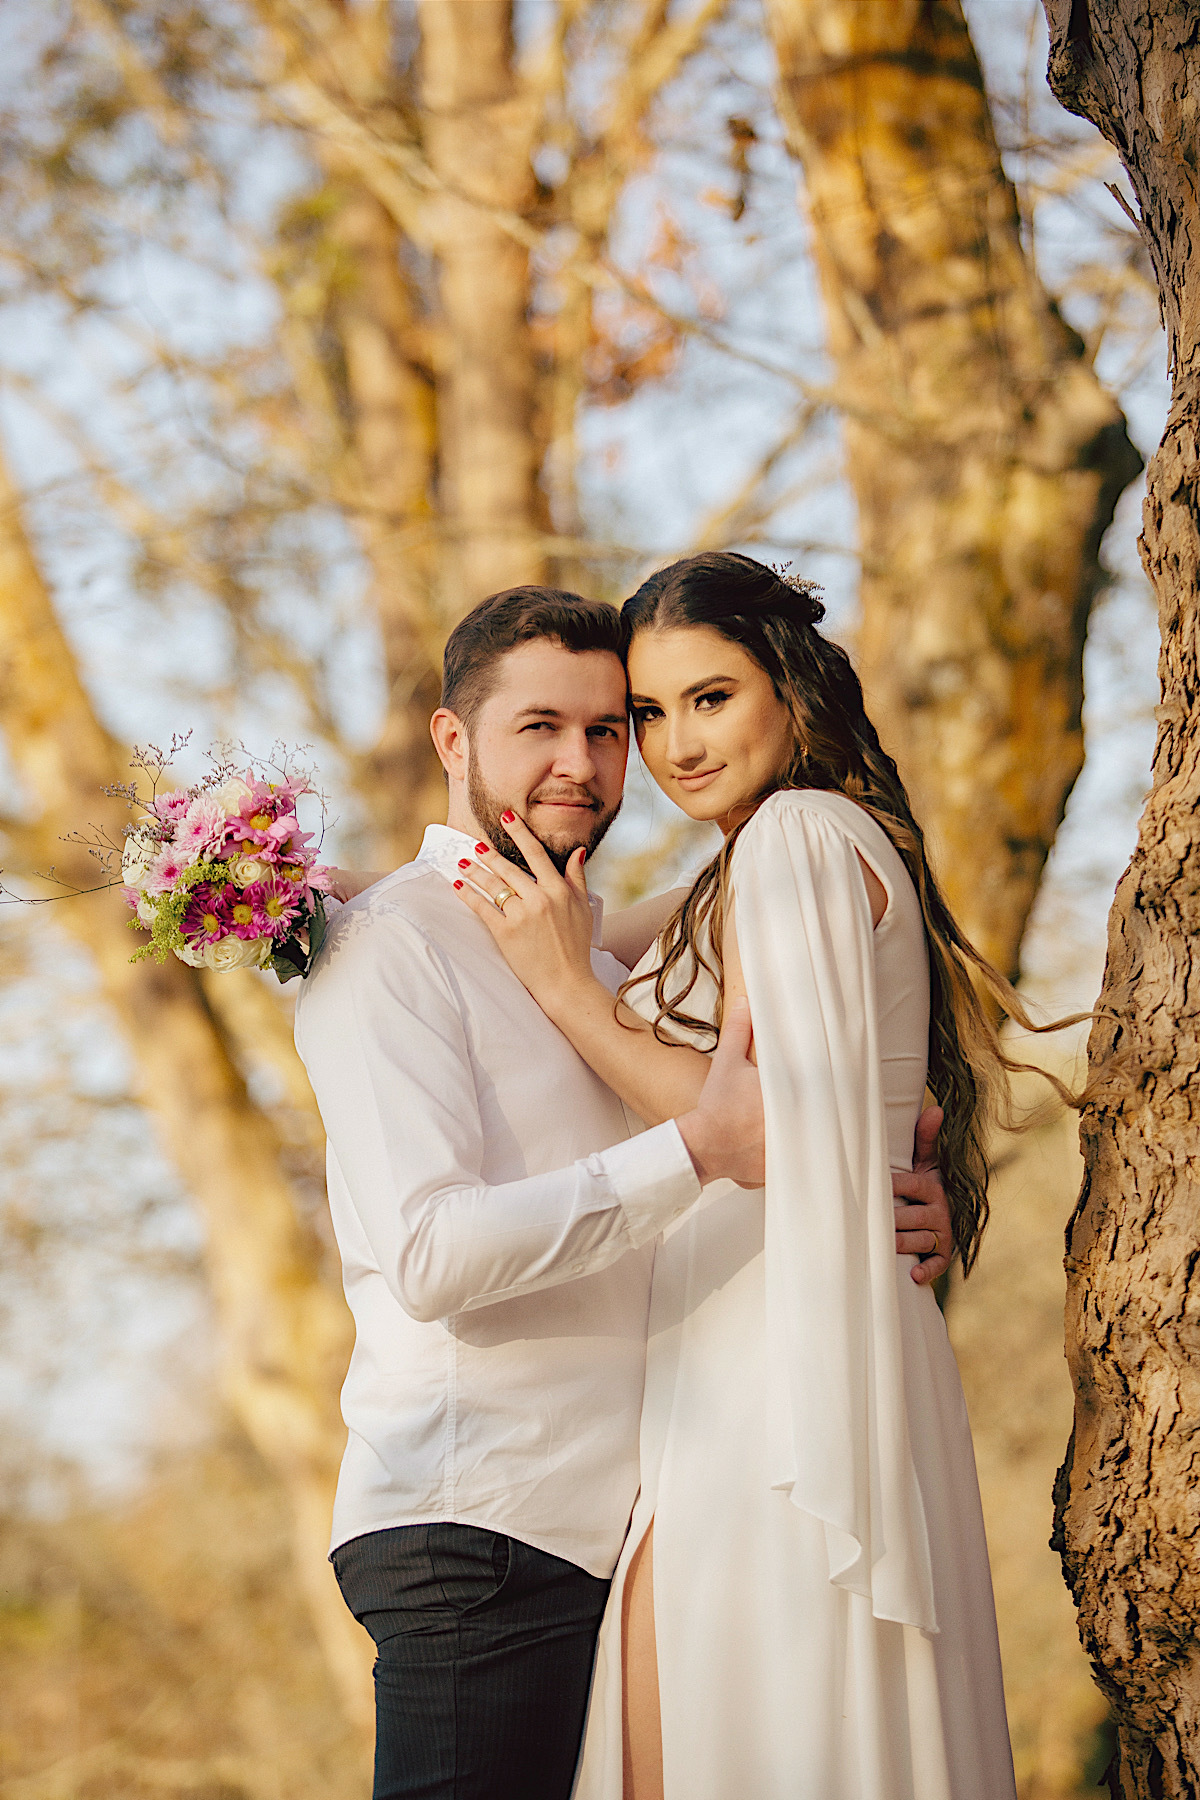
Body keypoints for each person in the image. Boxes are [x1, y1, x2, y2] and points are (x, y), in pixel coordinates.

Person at [301, 584, 956, 1800]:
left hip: (632, 1506)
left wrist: (900, 1181)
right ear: (454, 742)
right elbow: (431, 1256)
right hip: (480, 1525)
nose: (585, 761)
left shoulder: (596, 947)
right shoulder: (385, 943)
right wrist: (699, 1150)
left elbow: (818, 999)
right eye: (540, 727)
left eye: (613, 727)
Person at [450, 555, 1017, 1800]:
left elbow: (751, 1122)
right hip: (761, 1336)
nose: (673, 746)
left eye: (709, 698)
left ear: (790, 685)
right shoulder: (763, 857)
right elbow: (574, 923)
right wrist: (346, 901)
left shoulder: (796, 841)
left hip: (774, 1360)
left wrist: (562, 998)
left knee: (708, 1732)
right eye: (648, 716)